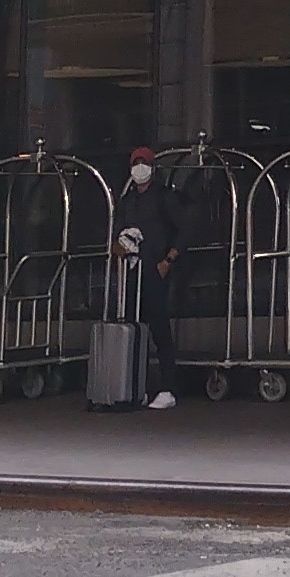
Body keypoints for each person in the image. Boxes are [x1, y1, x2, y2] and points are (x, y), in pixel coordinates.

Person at [113, 150, 178, 410]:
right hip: (130, 270)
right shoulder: (128, 201)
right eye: (135, 163)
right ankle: (133, 388)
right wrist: (119, 248)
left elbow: (184, 230)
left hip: (155, 269)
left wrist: (168, 260)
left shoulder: (164, 197)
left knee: (159, 329)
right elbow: (115, 234)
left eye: (144, 163)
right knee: (131, 329)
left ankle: (168, 388)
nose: (140, 168)